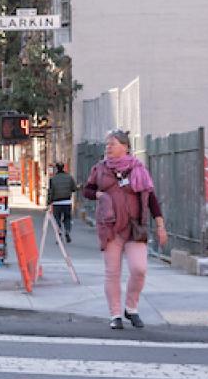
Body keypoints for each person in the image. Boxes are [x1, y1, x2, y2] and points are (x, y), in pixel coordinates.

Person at [83, 130, 167, 330]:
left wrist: (160, 225)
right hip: (110, 227)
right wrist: (98, 195)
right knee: (112, 273)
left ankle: (131, 308)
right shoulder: (100, 169)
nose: (108, 147)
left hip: (134, 228)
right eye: (107, 144)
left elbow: (151, 198)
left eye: (112, 143)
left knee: (139, 269)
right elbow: (87, 190)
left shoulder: (138, 169)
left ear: (125, 147)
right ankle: (115, 314)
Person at [47, 162, 77, 243]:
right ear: (63, 168)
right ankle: (67, 231)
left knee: (57, 219)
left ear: (56, 168)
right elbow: (74, 189)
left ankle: (59, 232)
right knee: (67, 218)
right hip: (67, 202)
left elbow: (50, 192)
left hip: (56, 203)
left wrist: (49, 202)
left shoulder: (53, 179)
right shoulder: (69, 177)